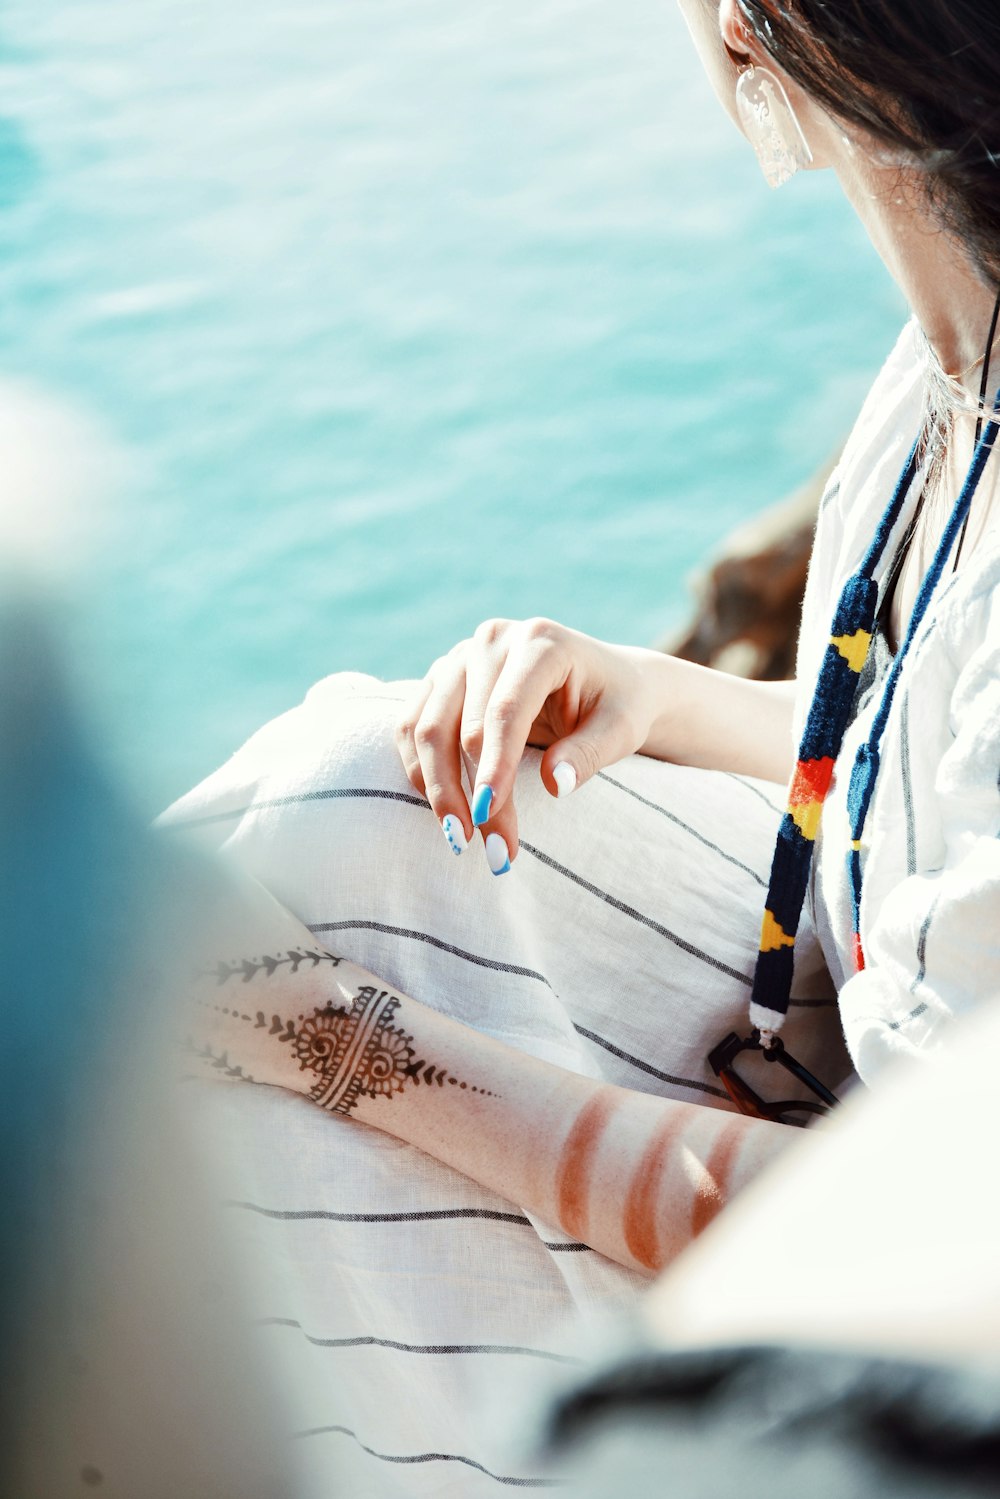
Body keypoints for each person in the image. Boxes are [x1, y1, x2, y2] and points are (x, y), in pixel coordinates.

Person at [163, 0, 1000, 1489]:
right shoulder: (947, 371)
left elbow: (943, 1253)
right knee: (347, 793)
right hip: (845, 1060)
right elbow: (926, 784)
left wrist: (337, 1041)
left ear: (750, 32)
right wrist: (654, 696)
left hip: (903, 1324)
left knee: (263, 1070)